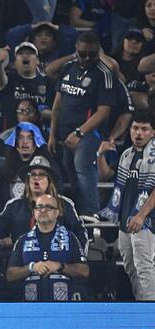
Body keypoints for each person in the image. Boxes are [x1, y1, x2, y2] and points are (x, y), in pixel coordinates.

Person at [48, 31, 115, 218]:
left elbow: (104, 111)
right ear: (76, 50)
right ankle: (77, 211)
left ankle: (92, 210)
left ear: (98, 52)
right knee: (69, 171)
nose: (86, 58)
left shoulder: (104, 73)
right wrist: (52, 134)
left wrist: (79, 133)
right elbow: (57, 105)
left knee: (82, 166)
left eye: (91, 54)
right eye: (82, 53)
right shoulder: (68, 67)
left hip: (88, 132)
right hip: (63, 130)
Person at [99, 114, 155, 301]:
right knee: (131, 268)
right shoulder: (126, 154)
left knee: (145, 267)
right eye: (135, 128)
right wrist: (100, 155)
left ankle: (150, 312)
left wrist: (141, 215)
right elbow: (106, 175)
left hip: (146, 222)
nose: (139, 133)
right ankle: (142, 305)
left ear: (153, 132)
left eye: (144, 129)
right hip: (125, 222)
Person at [0, 155, 88, 250]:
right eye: (32, 174)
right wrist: (6, 243)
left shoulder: (64, 204)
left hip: (57, 261)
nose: (36, 178)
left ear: (49, 180)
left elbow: (81, 235)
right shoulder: (14, 205)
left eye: (41, 174)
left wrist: (77, 261)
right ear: (28, 180)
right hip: (22, 262)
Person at [7, 194, 89, 301]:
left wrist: (60, 266)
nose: (43, 210)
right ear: (34, 212)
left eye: (48, 207)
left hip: (64, 307)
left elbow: (84, 271)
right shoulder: (23, 240)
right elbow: (10, 274)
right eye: (39, 207)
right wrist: (31, 267)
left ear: (57, 212)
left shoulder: (70, 238)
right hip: (30, 308)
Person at [0, 122, 57, 218]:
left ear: (36, 141)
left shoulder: (47, 165)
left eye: (29, 137)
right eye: (20, 137)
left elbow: (56, 192)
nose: (25, 142)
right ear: (15, 142)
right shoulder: (5, 166)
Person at [0, 42, 53, 129]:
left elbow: (56, 111)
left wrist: (41, 113)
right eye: (21, 54)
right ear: (15, 62)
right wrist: (0, 63)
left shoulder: (47, 82)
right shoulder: (9, 79)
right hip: (12, 133)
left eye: (30, 53)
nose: (25, 56)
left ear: (37, 60)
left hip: (39, 133)